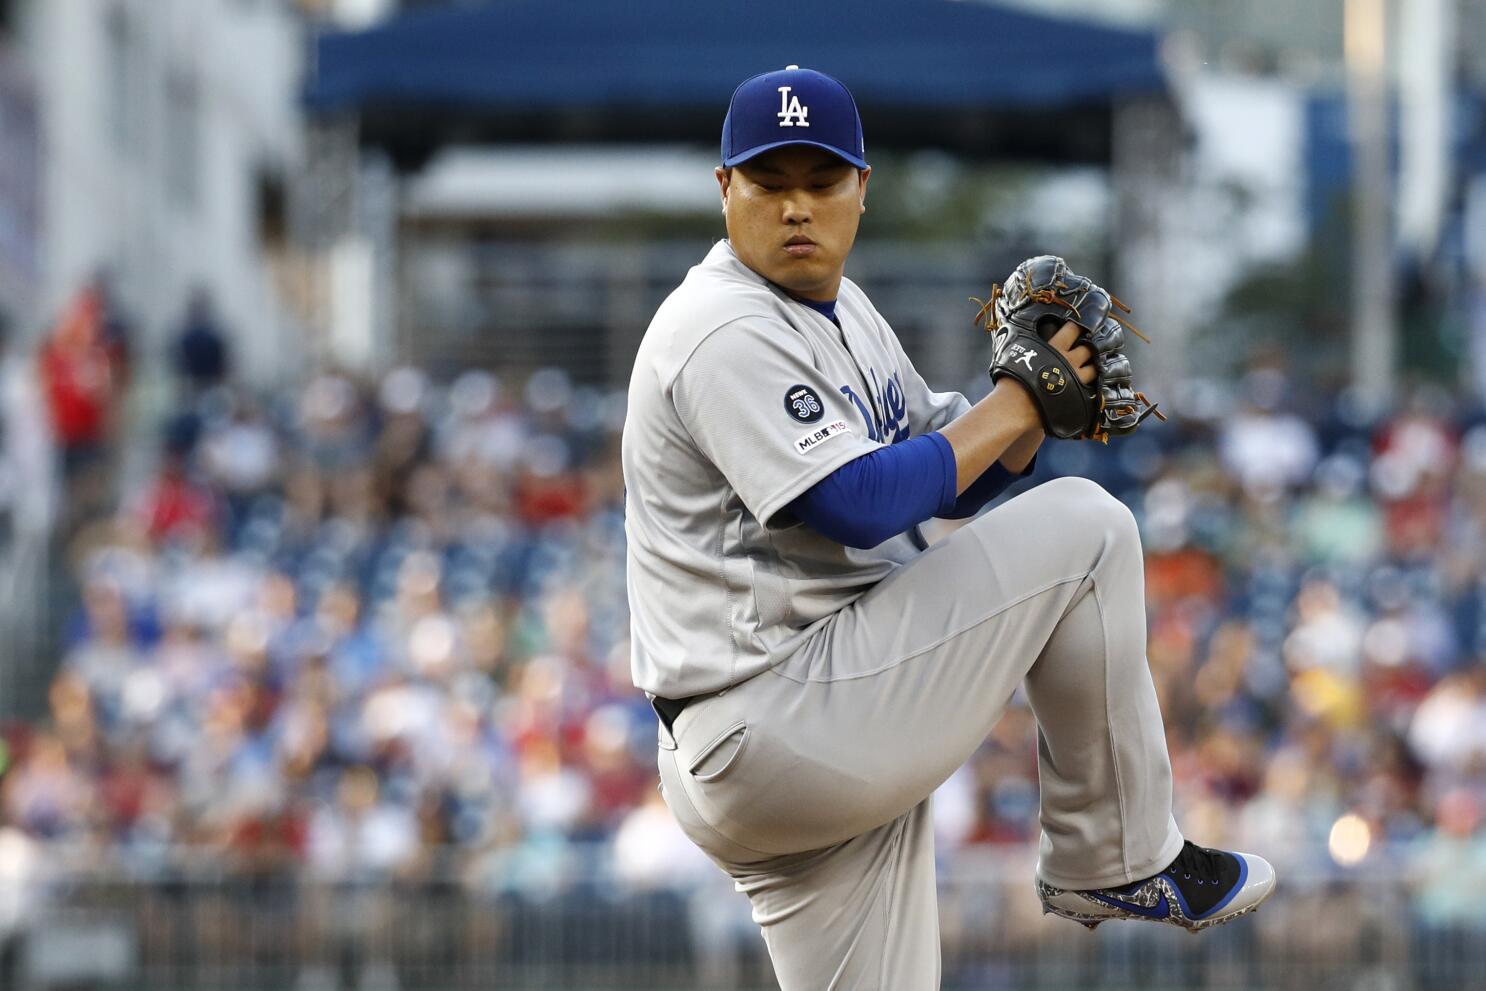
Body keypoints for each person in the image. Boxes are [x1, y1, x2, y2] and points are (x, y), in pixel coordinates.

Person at [621, 65, 1274, 988]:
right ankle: (1112, 857)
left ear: (862, 188)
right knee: (1088, 527)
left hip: (801, 730)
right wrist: (1017, 405)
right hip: (780, 711)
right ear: (726, 191)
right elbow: (859, 501)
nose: (797, 207)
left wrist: (1033, 415)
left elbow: (948, 472)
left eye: (821, 181)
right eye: (771, 183)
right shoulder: (719, 324)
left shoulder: (844, 311)